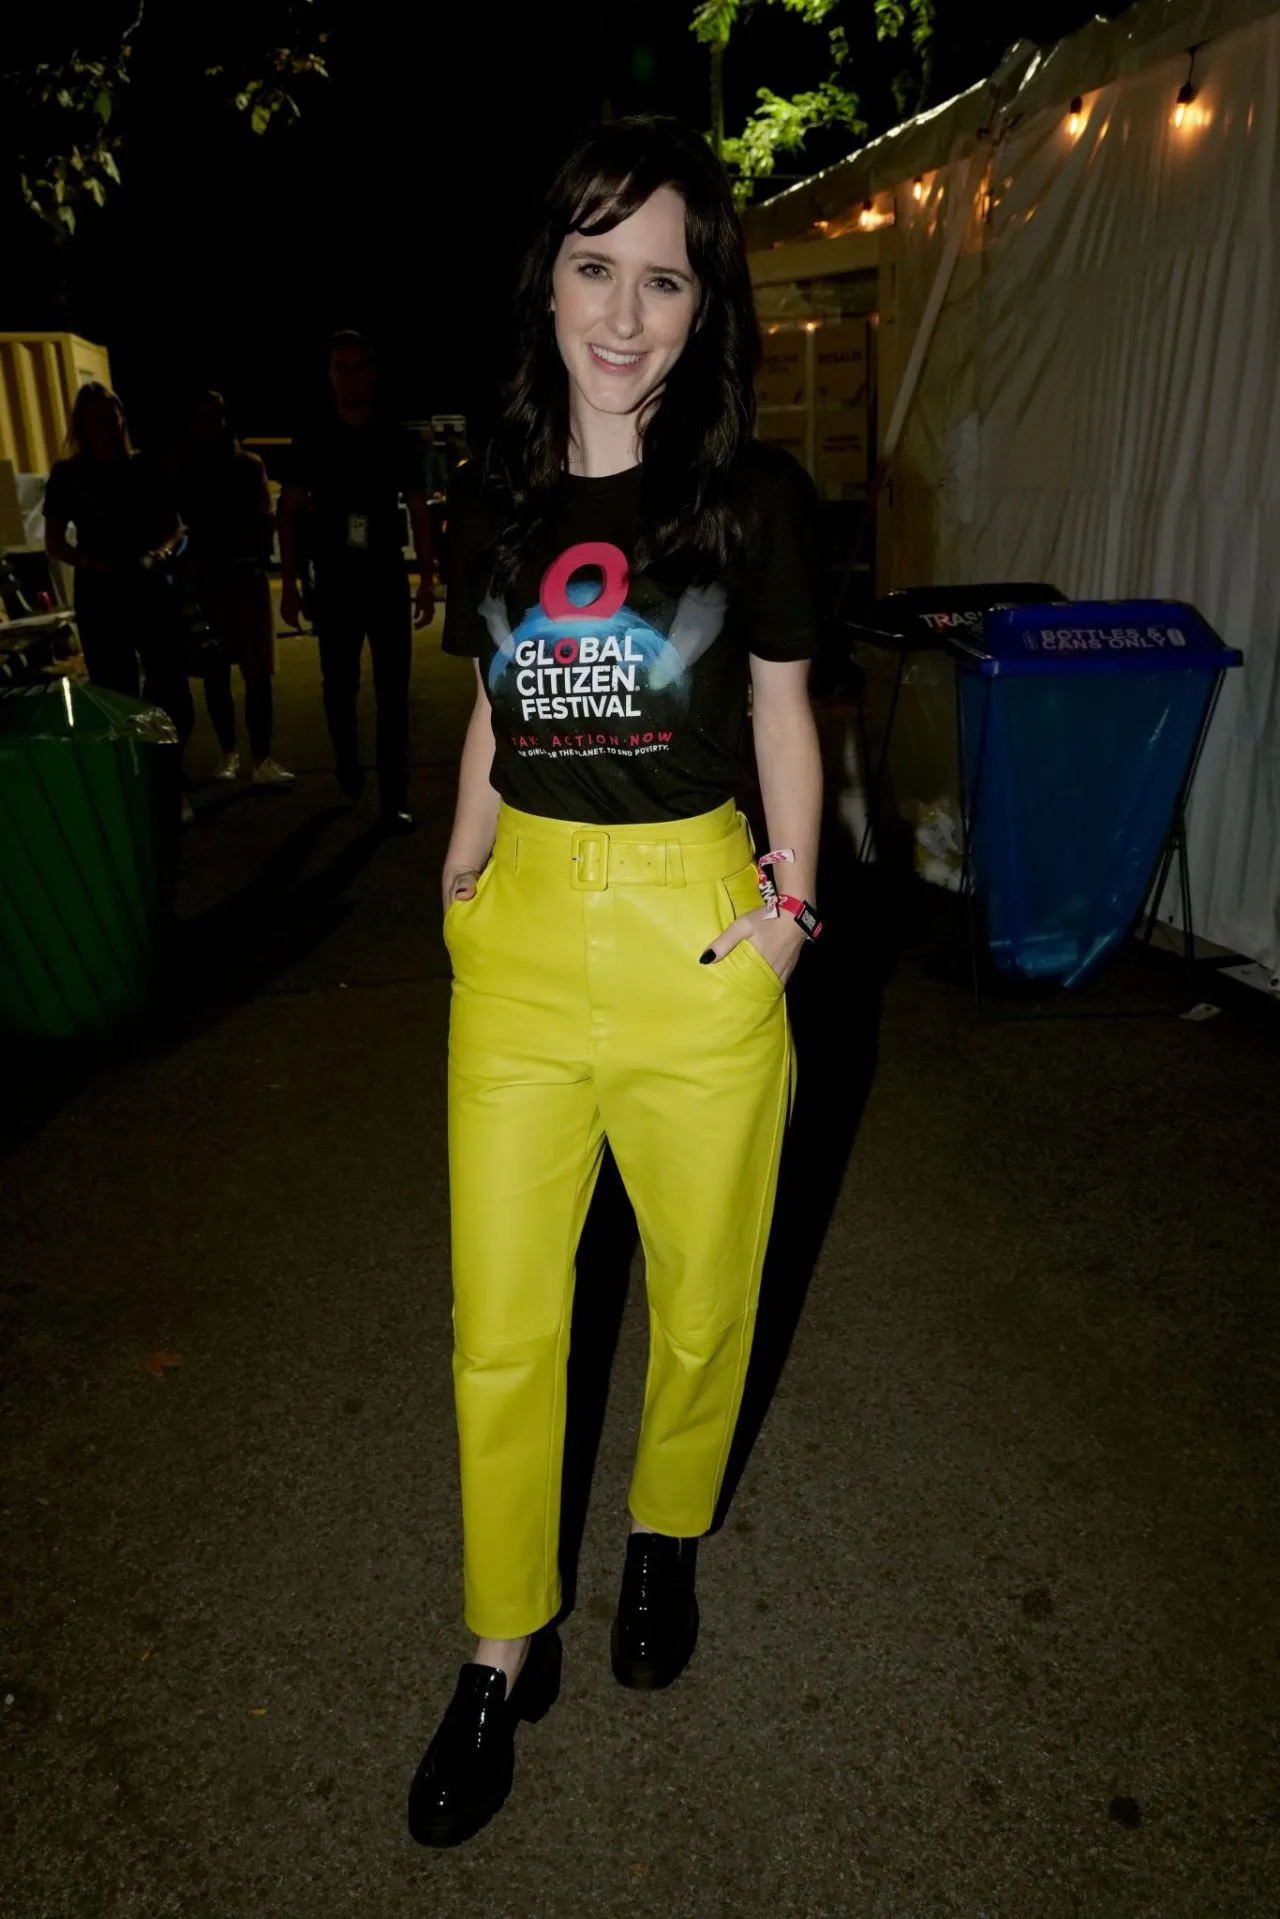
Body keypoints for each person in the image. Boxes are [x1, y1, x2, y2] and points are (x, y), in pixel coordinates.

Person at [407, 117, 824, 1848]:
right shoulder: (493, 501)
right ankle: (503, 1648)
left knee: (706, 1286)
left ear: (699, 303)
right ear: (552, 284)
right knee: (502, 1324)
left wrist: (792, 910)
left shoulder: (754, 501)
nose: (627, 310)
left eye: (665, 275)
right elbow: (501, 698)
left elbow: (790, 710)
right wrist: (458, 861)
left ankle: (663, 1531)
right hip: (519, 942)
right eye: (598, 265)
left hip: (695, 925)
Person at [278, 333, 434, 831]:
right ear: (330, 374)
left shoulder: (395, 436)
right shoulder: (313, 437)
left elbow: (418, 511)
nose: (350, 375)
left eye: (358, 366)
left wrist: (427, 580)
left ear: (372, 372)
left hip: (385, 577)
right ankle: (346, 759)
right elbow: (290, 512)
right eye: (341, 366)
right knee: (338, 688)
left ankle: (393, 797)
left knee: (393, 694)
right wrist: (290, 583)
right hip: (335, 581)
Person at [44, 383, 196, 817]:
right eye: (98, 420)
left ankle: (169, 777)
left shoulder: (144, 467)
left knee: (169, 689)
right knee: (117, 694)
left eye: (113, 418)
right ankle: (137, 785)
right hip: (102, 595)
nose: (108, 428)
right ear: (83, 426)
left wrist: (162, 554)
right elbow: (56, 542)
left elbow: (177, 526)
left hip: (148, 588)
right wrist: (95, 565)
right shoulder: (68, 475)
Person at [170, 391, 293, 788]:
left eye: (217, 418)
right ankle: (230, 753)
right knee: (215, 672)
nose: (212, 427)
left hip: (244, 576)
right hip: (208, 580)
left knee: (258, 674)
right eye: (204, 419)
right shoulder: (186, 470)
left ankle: (261, 756)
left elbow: (264, 515)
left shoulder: (247, 465)